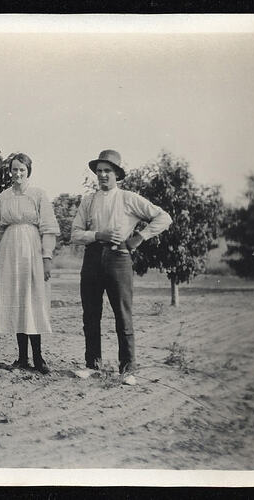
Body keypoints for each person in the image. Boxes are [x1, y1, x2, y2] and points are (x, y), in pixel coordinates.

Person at [71, 149, 172, 385]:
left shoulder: (128, 198)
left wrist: (138, 238)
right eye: (99, 171)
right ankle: (92, 365)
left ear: (117, 174)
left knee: (123, 316)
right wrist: (98, 234)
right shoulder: (89, 200)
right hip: (93, 258)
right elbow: (75, 234)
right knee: (91, 315)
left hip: (119, 259)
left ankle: (127, 370)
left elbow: (163, 217)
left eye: (108, 171)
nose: (103, 175)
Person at [0, 153, 60, 375]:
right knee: (17, 300)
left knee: (31, 299)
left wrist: (47, 258)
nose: (17, 174)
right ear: (9, 172)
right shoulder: (4, 196)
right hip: (9, 249)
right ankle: (22, 357)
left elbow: (48, 227)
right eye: (14, 170)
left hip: (32, 249)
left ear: (28, 172)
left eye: (22, 170)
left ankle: (38, 357)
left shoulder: (38, 195)